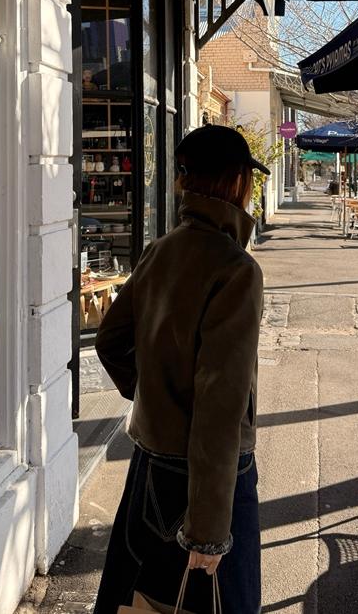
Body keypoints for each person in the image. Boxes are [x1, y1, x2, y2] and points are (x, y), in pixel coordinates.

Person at [93, 124, 269, 614]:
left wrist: (156, 393)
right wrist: (209, 532)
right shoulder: (236, 269)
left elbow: (110, 342)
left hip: (149, 466)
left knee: (141, 598)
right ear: (237, 182)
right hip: (207, 480)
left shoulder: (161, 250)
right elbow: (220, 405)